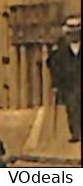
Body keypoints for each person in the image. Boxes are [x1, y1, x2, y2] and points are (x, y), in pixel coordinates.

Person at [48, 16, 81, 144]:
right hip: (69, 85)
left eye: (76, 33)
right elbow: (54, 66)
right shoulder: (60, 51)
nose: (74, 36)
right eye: (71, 34)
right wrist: (55, 84)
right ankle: (75, 132)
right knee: (72, 107)